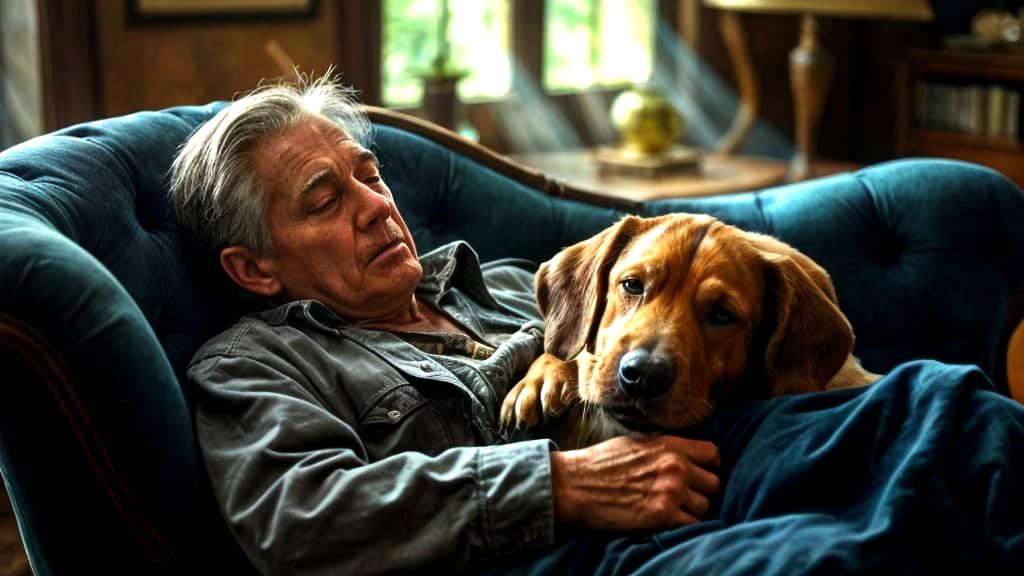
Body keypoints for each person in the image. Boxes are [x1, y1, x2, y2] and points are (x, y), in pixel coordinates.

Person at [170, 74, 722, 575]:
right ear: (253, 268)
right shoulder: (255, 365)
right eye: (325, 202)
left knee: (804, 431)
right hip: (592, 557)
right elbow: (300, 520)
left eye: (370, 176)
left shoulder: (505, 283)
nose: (376, 206)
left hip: (717, 474)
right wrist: (560, 486)